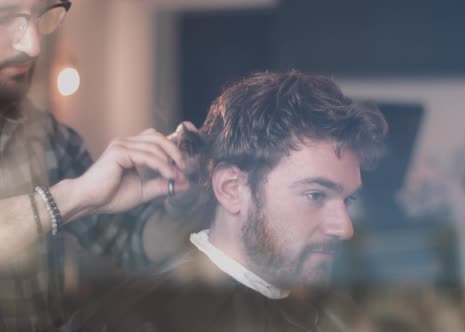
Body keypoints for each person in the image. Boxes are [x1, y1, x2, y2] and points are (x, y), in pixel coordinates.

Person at [78, 71, 388, 332]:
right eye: (315, 195)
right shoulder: (142, 320)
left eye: (347, 199)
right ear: (231, 189)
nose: (345, 228)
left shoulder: (322, 309)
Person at [0, 0, 199, 330]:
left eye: (39, 16)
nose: (33, 45)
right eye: (6, 17)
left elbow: (131, 245)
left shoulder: (52, 140)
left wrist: (181, 201)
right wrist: (71, 197)